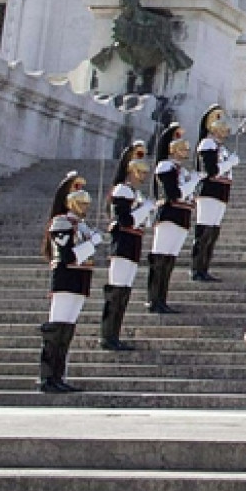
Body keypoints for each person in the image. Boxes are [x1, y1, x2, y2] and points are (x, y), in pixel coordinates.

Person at [40, 174, 100, 394]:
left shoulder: (81, 225)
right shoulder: (61, 222)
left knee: (67, 330)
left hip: (80, 280)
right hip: (66, 278)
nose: (84, 207)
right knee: (56, 328)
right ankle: (47, 376)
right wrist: (91, 244)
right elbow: (68, 256)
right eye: (81, 202)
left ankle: (58, 375)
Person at [101, 158, 153, 350]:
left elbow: (141, 222)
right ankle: (107, 335)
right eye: (141, 172)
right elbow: (125, 220)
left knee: (124, 292)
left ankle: (115, 334)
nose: (144, 177)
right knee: (116, 291)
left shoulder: (135, 193)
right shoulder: (122, 190)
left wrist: (147, 211)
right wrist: (144, 208)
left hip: (133, 244)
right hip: (122, 244)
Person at [148, 124, 198, 314]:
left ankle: (162, 297)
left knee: (169, 259)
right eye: (182, 148)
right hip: (169, 214)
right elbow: (173, 193)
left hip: (182, 215)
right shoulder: (166, 166)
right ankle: (154, 298)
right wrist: (192, 182)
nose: (185, 152)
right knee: (160, 257)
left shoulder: (182, 171)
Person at [191, 105, 239, 283]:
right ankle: (197, 268)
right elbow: (211, 170)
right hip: (209, 190)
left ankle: (204, 267)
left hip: (221, 191)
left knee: (213, 231)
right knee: (204, 230)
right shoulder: (207, 144)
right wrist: (230, 163)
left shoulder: (221, 148)